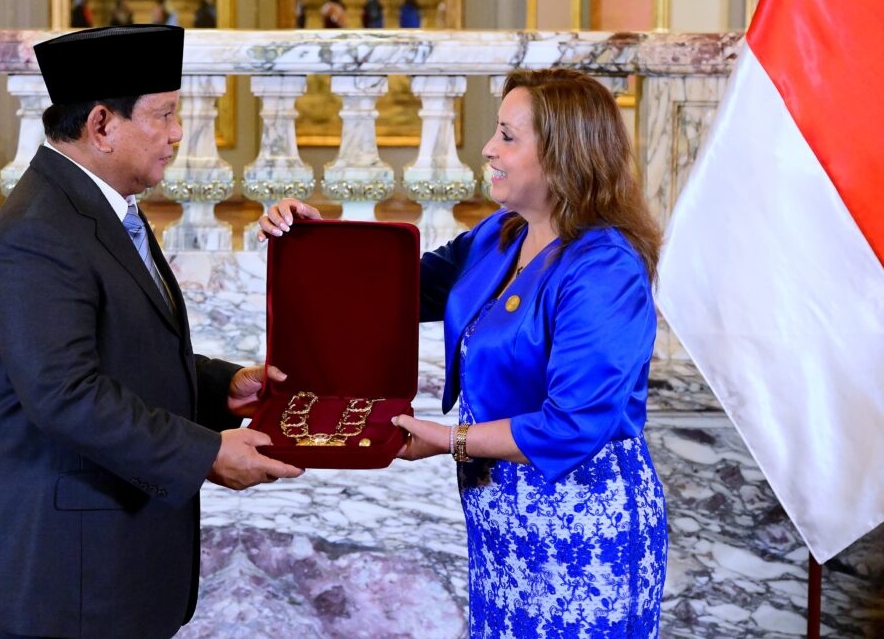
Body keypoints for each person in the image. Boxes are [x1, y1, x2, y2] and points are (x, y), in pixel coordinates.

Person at [0, 25, 303, 639]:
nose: (178, 133)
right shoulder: (40, 232)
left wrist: (222, 386)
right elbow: (65, 395)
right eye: (165, 115)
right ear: (101, 125)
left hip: (99, 564)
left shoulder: (97, 204)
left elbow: (122, 350)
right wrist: (206, 454)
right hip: (58, 574)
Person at [259, 69, 667, 637]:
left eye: (507, 135)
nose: (488, 149)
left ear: (563, 153)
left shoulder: (605, 268)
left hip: (583, 526)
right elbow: (386, 290)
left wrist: (448, 440)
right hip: (500, 516)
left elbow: (574, 425)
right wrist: (310, 238)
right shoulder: (501, 233)